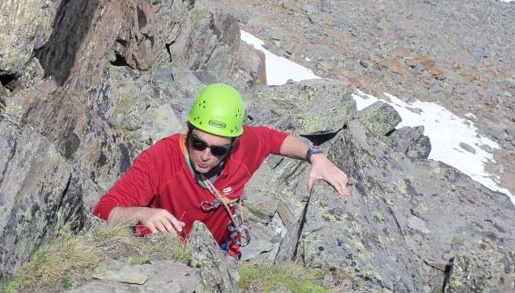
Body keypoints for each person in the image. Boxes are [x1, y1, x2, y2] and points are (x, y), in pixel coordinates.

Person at [93, 83, 348, 258]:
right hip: (166, 255)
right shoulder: (161, 159)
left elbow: (273, 139)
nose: (205, 156)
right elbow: (103, 211)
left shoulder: (241, 148)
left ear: (233, 144)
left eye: (218, 150)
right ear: (188, 129)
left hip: (220, 250)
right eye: (198, 143)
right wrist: (142, 213)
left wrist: (315, 156)